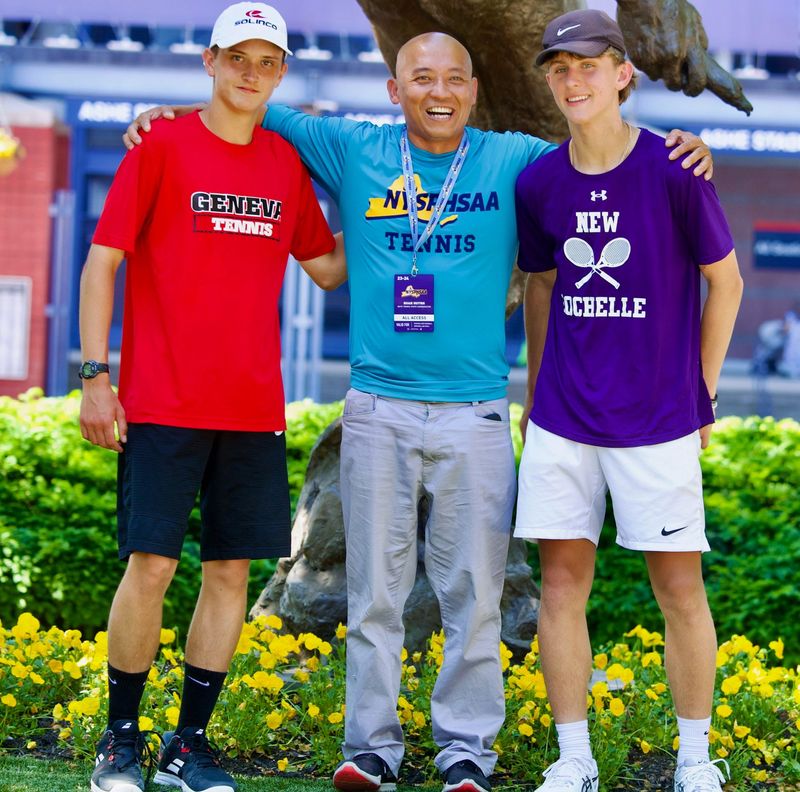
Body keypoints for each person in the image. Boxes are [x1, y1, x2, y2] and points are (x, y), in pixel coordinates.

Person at [124, 31, 712, 792]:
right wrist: (166, 113)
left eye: (455, 79)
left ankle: (466, 752)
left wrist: (679, 146)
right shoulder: (352, 146)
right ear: (395, 89)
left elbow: (600, 143)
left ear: (472, 90)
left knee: (475, 591)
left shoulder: (515, 160)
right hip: (377, 408)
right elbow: (250, 104)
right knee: (374, 593)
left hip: (474, 413)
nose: (440, 91)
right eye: (421, 77)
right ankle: (371, 751)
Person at [79, 5, 346, 792]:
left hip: (252, 407)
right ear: (209, 60)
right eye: (238, 57)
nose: (251, 72)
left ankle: (188, 745)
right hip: (161, 402)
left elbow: (328, 269)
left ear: (282, 72)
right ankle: (119, 741)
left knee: (230, 575)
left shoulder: (285, 164)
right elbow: (102, 264)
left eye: (268, 61)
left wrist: (395, 210)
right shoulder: (160, 143)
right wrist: (97, 377)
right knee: (152, 566)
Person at [513, 10, 743, 792]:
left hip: (658, 421)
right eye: (560, 68)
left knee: (680, 591)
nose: (573, 79)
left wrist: (702, 391)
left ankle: (694, 759)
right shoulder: (538, 181)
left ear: (622, 75)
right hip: (563, 422)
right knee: (561, 587)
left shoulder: (677, 169)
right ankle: (573, 759)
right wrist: (536, 390)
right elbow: (544, 284)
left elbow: (727, 282)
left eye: (588, 65)